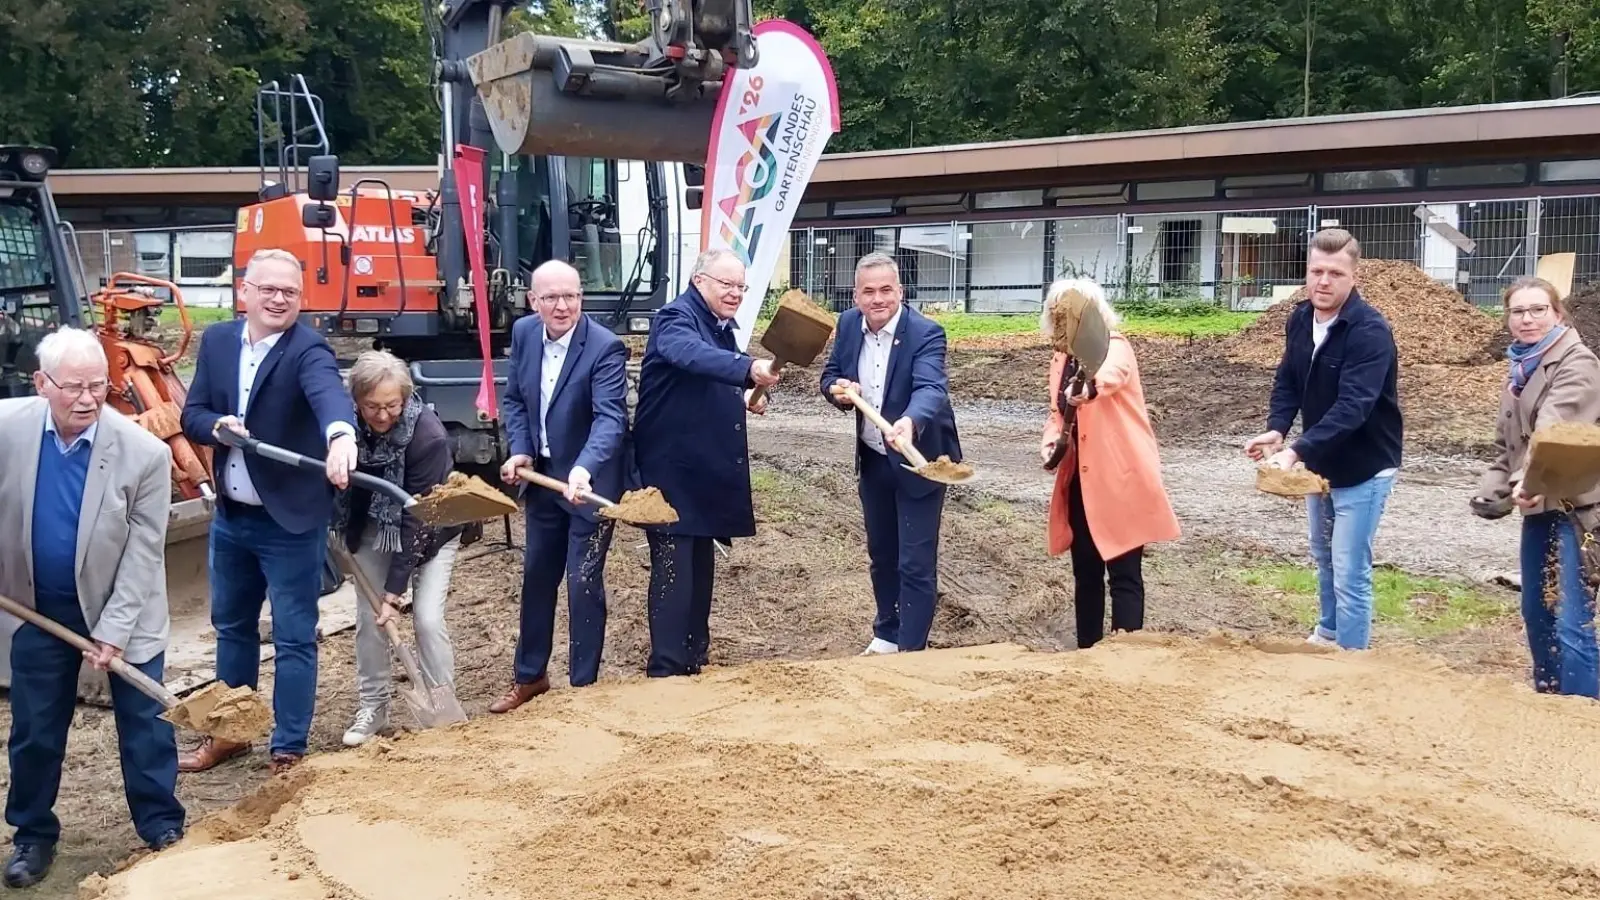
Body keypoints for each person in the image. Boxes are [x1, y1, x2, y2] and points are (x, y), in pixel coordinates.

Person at [0, 328, 186, 888]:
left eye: (98, 386)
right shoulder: (8, 428)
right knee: (35, 732)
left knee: (147, 728)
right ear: (41, 383)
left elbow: (144, 552)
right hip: (38, 610)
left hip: (124, 611)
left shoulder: (144, 455)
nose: (87, 399)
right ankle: (32, 834)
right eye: (74, 387)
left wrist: (114, 630)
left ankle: (161, 825)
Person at [178, 247, 359, 773]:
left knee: (293, 634)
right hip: (232, 519)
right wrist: (216, 427)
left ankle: (289, 745)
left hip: (290, 522)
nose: (279, 299)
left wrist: (341, 437)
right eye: (269, 289)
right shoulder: (216, 343)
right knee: (232, 627)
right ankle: (231, 733)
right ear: (245, 292)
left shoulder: (309, 349)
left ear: (300, 299)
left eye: (290, 291)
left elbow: (329, 397)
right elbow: (192, 413)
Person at [1245, 228, 1402, 651]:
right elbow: (1288, 381)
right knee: (1324, 553)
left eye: (1335, 272)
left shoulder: (1369, 332)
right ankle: (1329, 633)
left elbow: (1354, 407)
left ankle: (1351, 660)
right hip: (1321, 462)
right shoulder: (1299, 318)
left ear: (1354, 276)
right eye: (1316, 271)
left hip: (1365, 465)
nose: (1323, 281)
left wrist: (1296, 452)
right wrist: (1278, 428)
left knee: (1350, 566)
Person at [632, 248, 780, 676]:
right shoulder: (675, 319)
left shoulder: (719, 325)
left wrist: (747, 393)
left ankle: (694, 656)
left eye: (741, 287)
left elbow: (708, 377)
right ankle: (667, 667)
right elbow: (689, 355)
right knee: (675, 567)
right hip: (672, 470)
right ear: (700, 282)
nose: (735, 294)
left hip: (701, 471)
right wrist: (748, 367)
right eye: (726, 285)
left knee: (699, 565)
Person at [491, 260, 630, 709]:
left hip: (587, 484)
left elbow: (611, 418)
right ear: (534, 301)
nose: (562, 306)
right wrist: (521, 449)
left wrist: (584, 468)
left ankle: (583, 687)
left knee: (582, 581)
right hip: (544, 480)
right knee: (537, 577)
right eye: (550, 297)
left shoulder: (605, 348)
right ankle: (530, 677)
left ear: (580, 297)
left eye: (570, 295)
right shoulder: (525, 334)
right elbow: (515, 398)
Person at [820, 251, 961, 655]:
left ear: (900, 291)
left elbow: (931, 389)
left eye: (886, 289)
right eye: (868, 291)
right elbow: (830, 376)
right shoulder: (848, 326)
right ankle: (887, 634)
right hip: (874, 456)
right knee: (882, 554)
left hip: (922, 461)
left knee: (914, 561)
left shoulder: (926, 333)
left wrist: (910, 422)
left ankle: (911, 650)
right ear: (855, 296)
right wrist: (839, 391)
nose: (878, 299)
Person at [1470, 276, 1600, 698]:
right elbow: (1506, 446)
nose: (1527, 319)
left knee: (1570, 615)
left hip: (1576, 508)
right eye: (1518, 311)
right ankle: (1548, 698)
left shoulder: (1578, 363)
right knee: (1537, 611)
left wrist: (1527, 478)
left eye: (1538, 310)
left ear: (1557, 313)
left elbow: (1553, 429)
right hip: (1539, 506)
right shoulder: (1520, 371)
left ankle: (1581, 709)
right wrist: (1491, 492)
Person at [1037, 278, 1180, 649]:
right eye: (1058, 313)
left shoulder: (1115, 347)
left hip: (1120, 478)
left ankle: (1126, 652)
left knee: (1124, 572)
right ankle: (1088, 652)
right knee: (1085, 573)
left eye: (1070, 312)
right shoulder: (1060, 359)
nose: (1062, 320)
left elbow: (1110, 375)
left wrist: (1089, 388)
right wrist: (1052, 438)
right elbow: (1057, 412)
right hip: (1080, 482)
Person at [334, 350, 465, 745]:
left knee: (425, 617)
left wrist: (394, 592)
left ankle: (442, 700)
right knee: (371, 622)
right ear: (356, 400)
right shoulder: (343, 428)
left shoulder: (428, 436)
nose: (383, 415)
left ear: (406, 398)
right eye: (372, 406)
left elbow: (418, 520)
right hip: (374, 527)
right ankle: (373, 706)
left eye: (392, 405)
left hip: (432, 528)